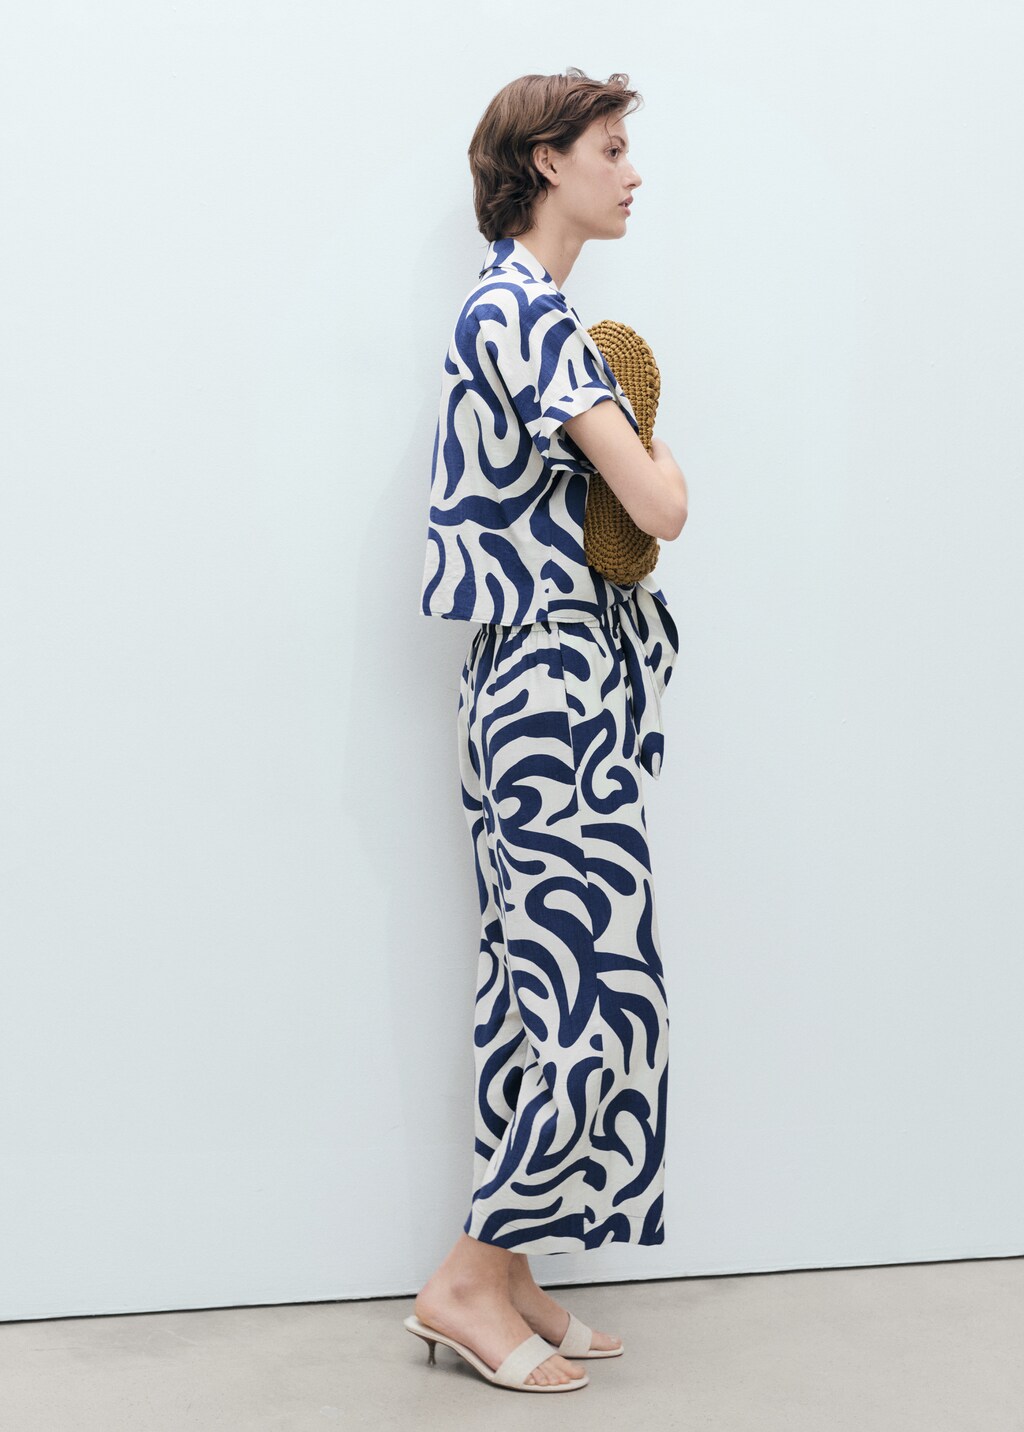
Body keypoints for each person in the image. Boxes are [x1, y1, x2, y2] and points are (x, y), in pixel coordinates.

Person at [407, 68, 689, 1393]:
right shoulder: (528, 318)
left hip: (535, 681)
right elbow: (660, 506)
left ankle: (511, 1268)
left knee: (536, 991)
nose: (632, 172)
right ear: (545, 163)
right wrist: (661, 458)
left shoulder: (524, 312)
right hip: (549, 687)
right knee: (586, 989)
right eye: (610, 148)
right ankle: (466, 1280)